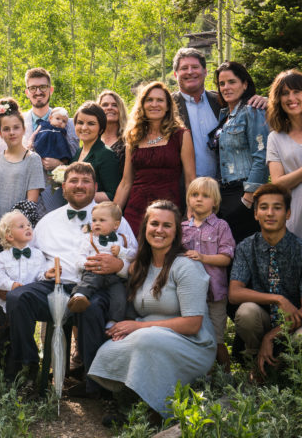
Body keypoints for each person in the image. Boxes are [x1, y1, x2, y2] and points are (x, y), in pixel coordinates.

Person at [6, 162, 136, 398]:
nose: (79, 186)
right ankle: (30, 369)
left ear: (95, 186)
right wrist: (44, 272)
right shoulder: (48, 221)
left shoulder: (115, 218)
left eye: (86, 181)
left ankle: (97, 385)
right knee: (18, 298)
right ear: (63, 187)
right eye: (74, 181)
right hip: (57, 285)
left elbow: (134, 256)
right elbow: (35, 257)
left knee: (92, 308)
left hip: (99, 287)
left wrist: (120, 266)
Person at [88, 200, 216, 417]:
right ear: (145, 227)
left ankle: (158, 409)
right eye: (154, 223)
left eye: (167, 226)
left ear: (176, 232)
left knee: (147, 340)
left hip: (192, 343)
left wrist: (139, 327)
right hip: (150, 334)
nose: (159, 230)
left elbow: (193, 324)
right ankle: (128, 401)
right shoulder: (141, 265)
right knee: (110, 347)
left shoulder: (186, 266)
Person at [229, 184, 302, 377]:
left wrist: (271, 336)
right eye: (263, 208)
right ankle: (257, 363)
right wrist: (278, 299)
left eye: (277, 208)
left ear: (287, 214)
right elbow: (234, 293)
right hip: (263, 320)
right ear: (255, 214)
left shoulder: (300, 249)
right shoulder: (246, 247)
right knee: (246, 312)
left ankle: (287, 367)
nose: (270, 213)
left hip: (293, 325)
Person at [171, 48, 267, 179]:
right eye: (184, 68)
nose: (190, 71)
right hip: (187, 189)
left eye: (195, 67)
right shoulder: (166, 107)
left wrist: (267, 101)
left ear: (205, 72)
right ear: (175, 74)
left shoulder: (222, 101)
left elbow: (249, 108)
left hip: (225, 187)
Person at [114, 81, 195, 235]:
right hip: (135, 210)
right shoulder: (133, 137)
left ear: (168, 106)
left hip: (168, 210)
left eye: (160, 100)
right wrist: (112, 214)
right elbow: (126, 182)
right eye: (149, 100)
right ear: (142, 105)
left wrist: (190, 211)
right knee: (133, 255)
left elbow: (190, 179)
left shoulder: (181, 135)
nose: (154, 104)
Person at [0, 98, 45, 287]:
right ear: (0, 133)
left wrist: (9, 234)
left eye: (16, 127)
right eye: (6, 129)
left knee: (16, 284)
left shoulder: (32, 159)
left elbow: (31, 203)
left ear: (23, 129)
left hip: (16, 236)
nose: (11, 132)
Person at [209, 61, 269, 243]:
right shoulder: (224, 115)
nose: (226, 87)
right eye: (222, 83)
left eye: (232, 82)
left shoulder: (252, 111)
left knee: (244, 249)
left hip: (244, 192)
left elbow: (262, 156)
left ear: (245, 84)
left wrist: (248, 199)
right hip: (224, 195)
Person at [181, 176, 235, 369]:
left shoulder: (221, 226)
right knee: (194, 337)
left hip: (215, 293)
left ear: (215, 202)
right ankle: (202, 375)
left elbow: (226, 257)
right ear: (188, 199)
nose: (199, 199)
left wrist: (203, 257)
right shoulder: (182, 228)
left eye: (205, 195)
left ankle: (228, 378)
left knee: (217, 337)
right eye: (194, 195)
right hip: (191, 294)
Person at [0, 210, 47, 378]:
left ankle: (25, 369)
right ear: (9, 236)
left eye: (29, 225)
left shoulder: (38, 255)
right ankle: (1, 372)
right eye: (21, 226)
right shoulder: (2, 257)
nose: (28, 227)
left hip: (25, 309)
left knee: (23, 336)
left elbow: (40, 275)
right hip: (5, 309)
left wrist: (47, 275)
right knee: (4, 340)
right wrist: (11, 285)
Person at [68, 201, 136, 325]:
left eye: (102, 220)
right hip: (94, 271)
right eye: (94, 220)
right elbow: (80, 255)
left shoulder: (123, 239)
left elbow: (133, 256)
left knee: (120, 296)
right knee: (88, 282)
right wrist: (85, 264)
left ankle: (114, 320)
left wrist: (122, 252)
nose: (97, 223)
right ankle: (80, 297)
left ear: (116, 225)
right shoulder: (89, 238)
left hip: (115, 277)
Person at [22, 67, 79, 215]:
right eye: (33, 88)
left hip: (56, 198)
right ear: (27, 92)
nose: (38, 92)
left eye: (43, 87)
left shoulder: (69, 123)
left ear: (51, 90)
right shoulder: (18, 122)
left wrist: (61, 164)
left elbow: (78, 160)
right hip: (25, 197)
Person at [266, 69, 302, 239]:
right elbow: (278, 184)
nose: (291, 98)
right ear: (278, 100)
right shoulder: (275, 138)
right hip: (295, 217)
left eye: (296, 91)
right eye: (285, 93)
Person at [72, 101, 120, 202]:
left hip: (96, 214)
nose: (84, 127)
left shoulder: (106, 154)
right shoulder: (78, 152)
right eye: (80, 122)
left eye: (91, 123)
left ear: (101, 128)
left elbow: (112, 194)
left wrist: (79, 194)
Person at [97, 90, 128, 176]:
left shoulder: (129, 140)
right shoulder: (92, 139)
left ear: (120, 110)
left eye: (115, 105)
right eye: (105, 105)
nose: (110, 108)